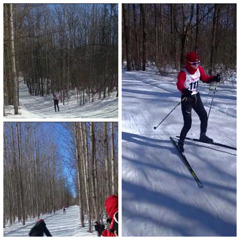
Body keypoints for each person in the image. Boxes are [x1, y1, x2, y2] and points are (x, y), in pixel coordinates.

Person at [177, 52, 220, 152]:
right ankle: (181, 142)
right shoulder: (183, 72)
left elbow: (205, 79)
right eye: (194, 64)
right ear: (188, 63)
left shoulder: (199, 69)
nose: (197, 65)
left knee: (204, 116)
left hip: (196, 97)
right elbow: (179, 84)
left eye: (198, 63)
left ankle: (203, 135)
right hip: (186, 99)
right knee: (188, 124)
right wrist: (184, 90)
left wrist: (214, 78)